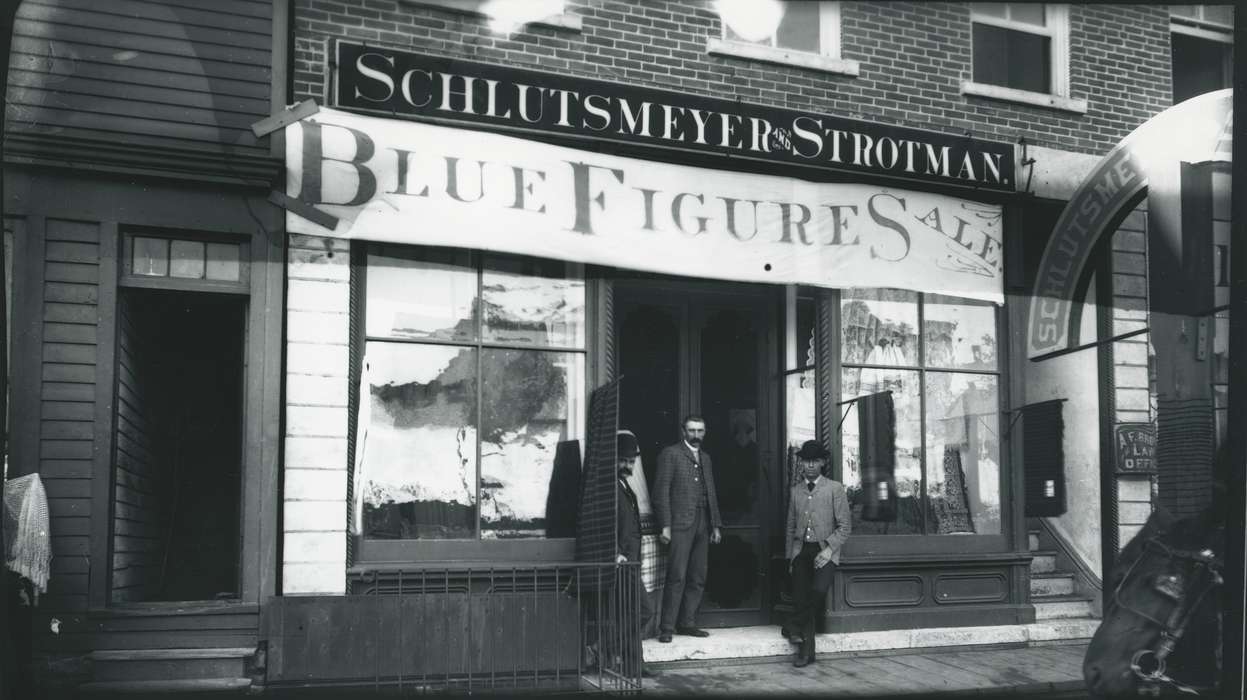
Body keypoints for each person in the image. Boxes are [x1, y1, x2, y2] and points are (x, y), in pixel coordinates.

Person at [652, 415, 722, 643]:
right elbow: (660, 492)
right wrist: (665, 525)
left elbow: (711, 492)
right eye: (692, 431)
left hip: (703, 521)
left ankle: (688, 623)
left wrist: (716, 525)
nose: (696, 435)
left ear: (705, 432)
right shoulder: (670, 454)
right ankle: (667, 628)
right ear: (683, 431)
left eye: (700, 431)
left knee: (698, 576)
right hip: (680, 523)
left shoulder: (707, 458)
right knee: (677, 576)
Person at [785, 440, 850, 667]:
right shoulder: (795, 491)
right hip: (802, 550)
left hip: (825, 550)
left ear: (822, 462)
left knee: (818, 590)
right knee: (802, 597)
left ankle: (792, 624)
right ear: (801, 463)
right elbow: (791, 528)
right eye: (806, 461)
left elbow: (845, 527)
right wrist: (791, 557)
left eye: (815, 461)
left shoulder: (835, 489)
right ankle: (805, 653)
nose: (810, 465)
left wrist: (829, 550)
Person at [615, 432, 654, 676]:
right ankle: (602, 647)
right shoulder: (609, 487)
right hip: (621, 562)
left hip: (631, 561)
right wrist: (615, 553)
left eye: (631, 461)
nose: (628, 466)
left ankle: (634, 664)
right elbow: (603, 523)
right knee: (642, 611)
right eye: (624, 461)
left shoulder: (624, 485)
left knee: (634, 611)